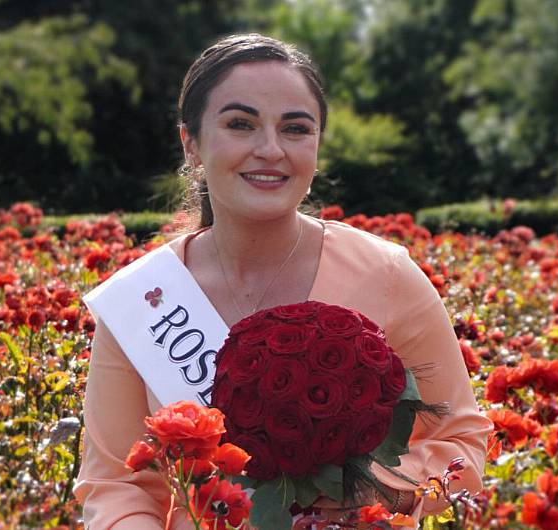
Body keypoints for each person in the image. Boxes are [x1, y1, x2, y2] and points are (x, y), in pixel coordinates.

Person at [74, 34, 492, 529]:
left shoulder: (386, 274)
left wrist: (383, 491)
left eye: (295, 129)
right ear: (191, 143)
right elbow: (115, 485)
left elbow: (463, 441)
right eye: (240, 124)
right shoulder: (143, 299)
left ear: (317, 146)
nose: (270, 149)